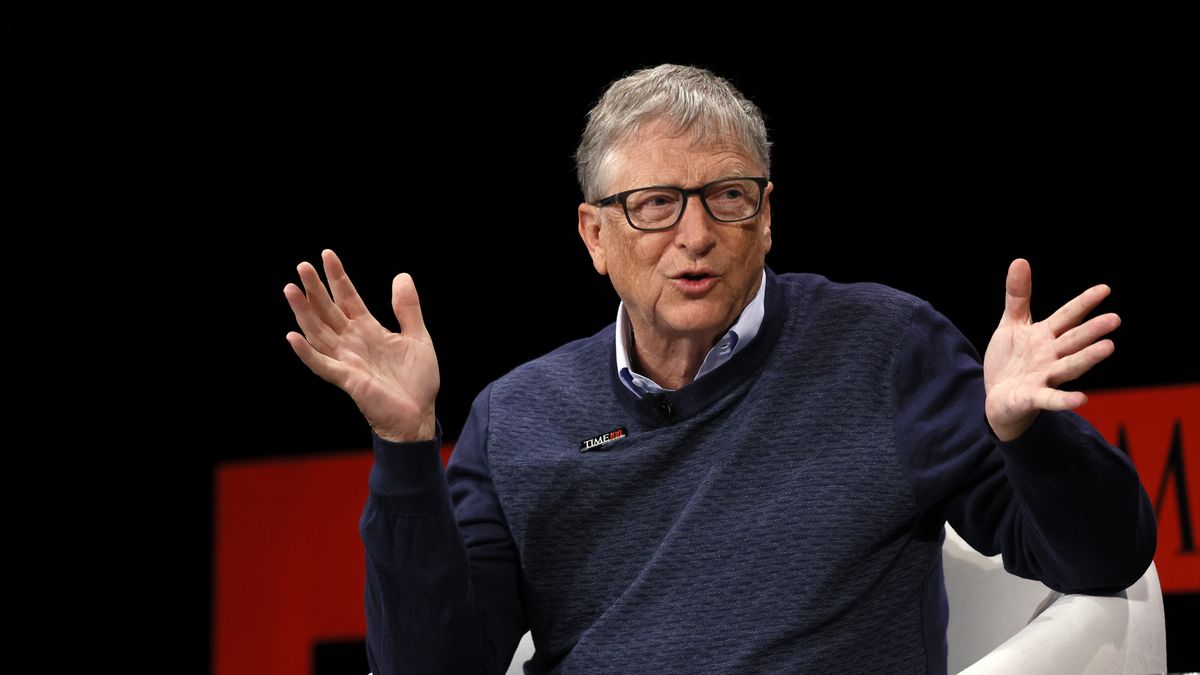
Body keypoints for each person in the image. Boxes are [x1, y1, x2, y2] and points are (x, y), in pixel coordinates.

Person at [282, 64, 1157, 674]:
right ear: (596, 235)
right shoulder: (516, 418)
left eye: (727, 198)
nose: (695, 236)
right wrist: (404, 449)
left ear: (766, 215)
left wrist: (1028, 435)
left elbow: (1107, 557)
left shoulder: (887, 347)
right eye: (655, 205)